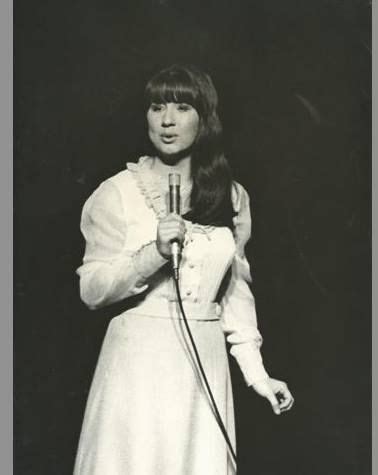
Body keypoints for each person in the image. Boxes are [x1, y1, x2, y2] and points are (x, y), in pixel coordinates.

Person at [73, 64, 294, 475]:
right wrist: (152, 253)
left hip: (202, 364)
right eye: (157, 107)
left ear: (204, 118)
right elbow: (92, 289)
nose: (168, 120)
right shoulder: (117, 193)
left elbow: (235, 293)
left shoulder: (231, 195)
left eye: (182, 107)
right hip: (137, 365)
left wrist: (258, 375)